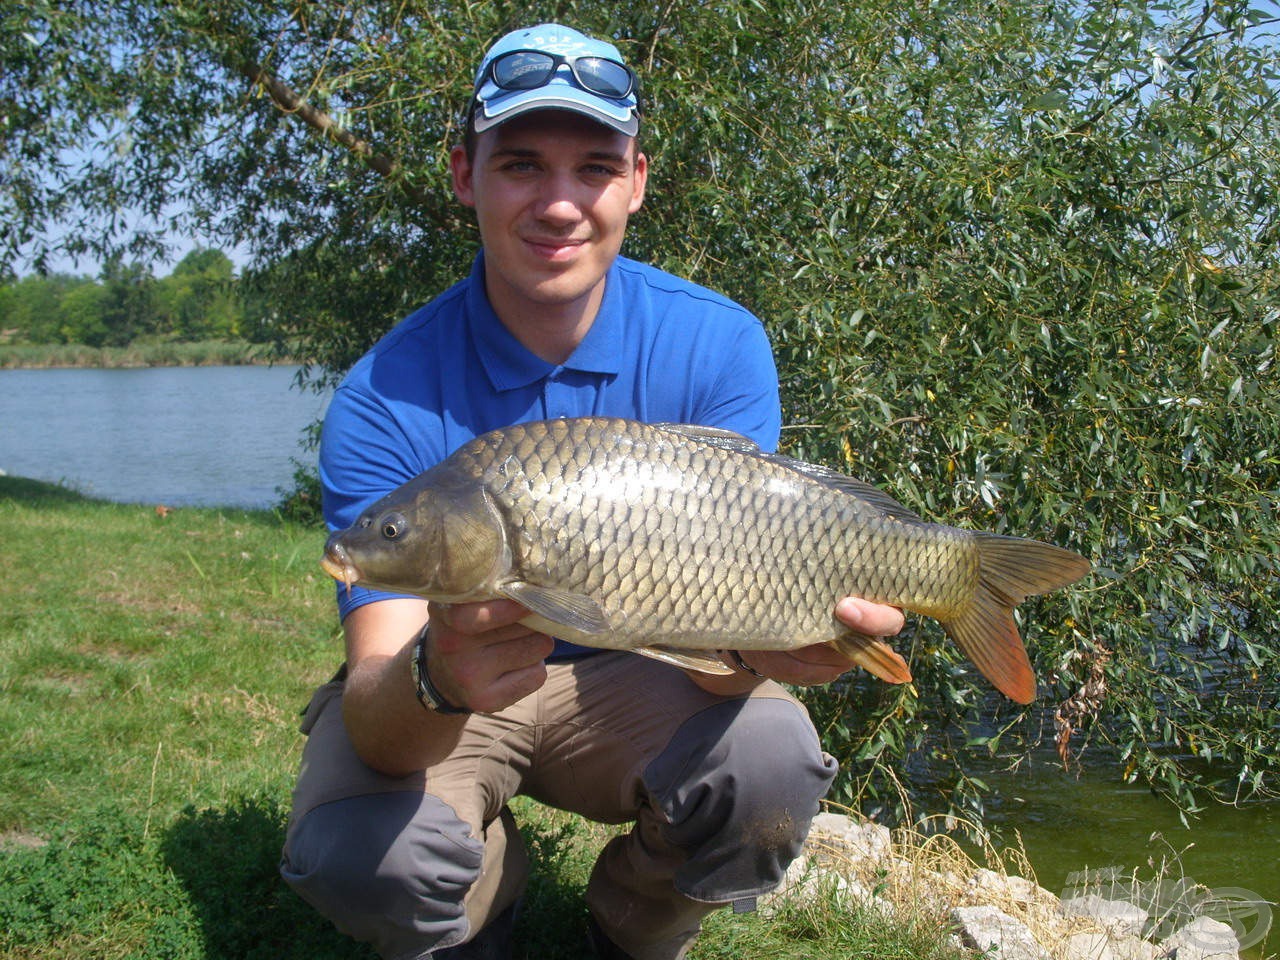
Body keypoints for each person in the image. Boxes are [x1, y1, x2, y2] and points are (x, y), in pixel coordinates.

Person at [280, 23, 905, 960]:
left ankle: (628, 930)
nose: (560, 203)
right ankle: (485, 910)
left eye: (596, 169)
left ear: (638, 182)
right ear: (466, 176)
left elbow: (714, 653)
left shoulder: (720, 344)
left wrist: (767, 647)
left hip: (640, 681)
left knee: (769, 766)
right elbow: (380, 699)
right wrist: (437, 675)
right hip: (455, 686)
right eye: (523, 165)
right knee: (359, 851)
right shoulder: (383, 394)